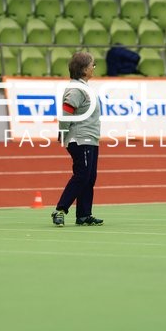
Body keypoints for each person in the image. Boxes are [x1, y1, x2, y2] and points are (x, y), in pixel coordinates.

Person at [51, 52, 104, 227]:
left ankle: (84, 214)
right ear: (83, 69)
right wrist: (63, 133)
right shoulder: (76, 89)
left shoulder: (83, 86)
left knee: (89, 177)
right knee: (82, 176)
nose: (93, 68)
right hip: (81, 139)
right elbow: (67, 112)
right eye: (92, 65)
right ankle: (60, 209)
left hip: (90, 138)